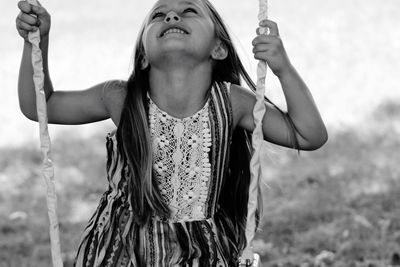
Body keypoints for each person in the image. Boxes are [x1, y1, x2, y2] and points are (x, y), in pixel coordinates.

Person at [16, 0, 328, 266]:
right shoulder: (121, 99)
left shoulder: (234, 102)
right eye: (158, 14)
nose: (171, 16)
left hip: (202, 251)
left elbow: (308, 135)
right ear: (143, 55)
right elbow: (41, 106)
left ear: (218, 48)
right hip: (122, 249)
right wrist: (37, 41)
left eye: (189, 10)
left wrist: (282, 67)